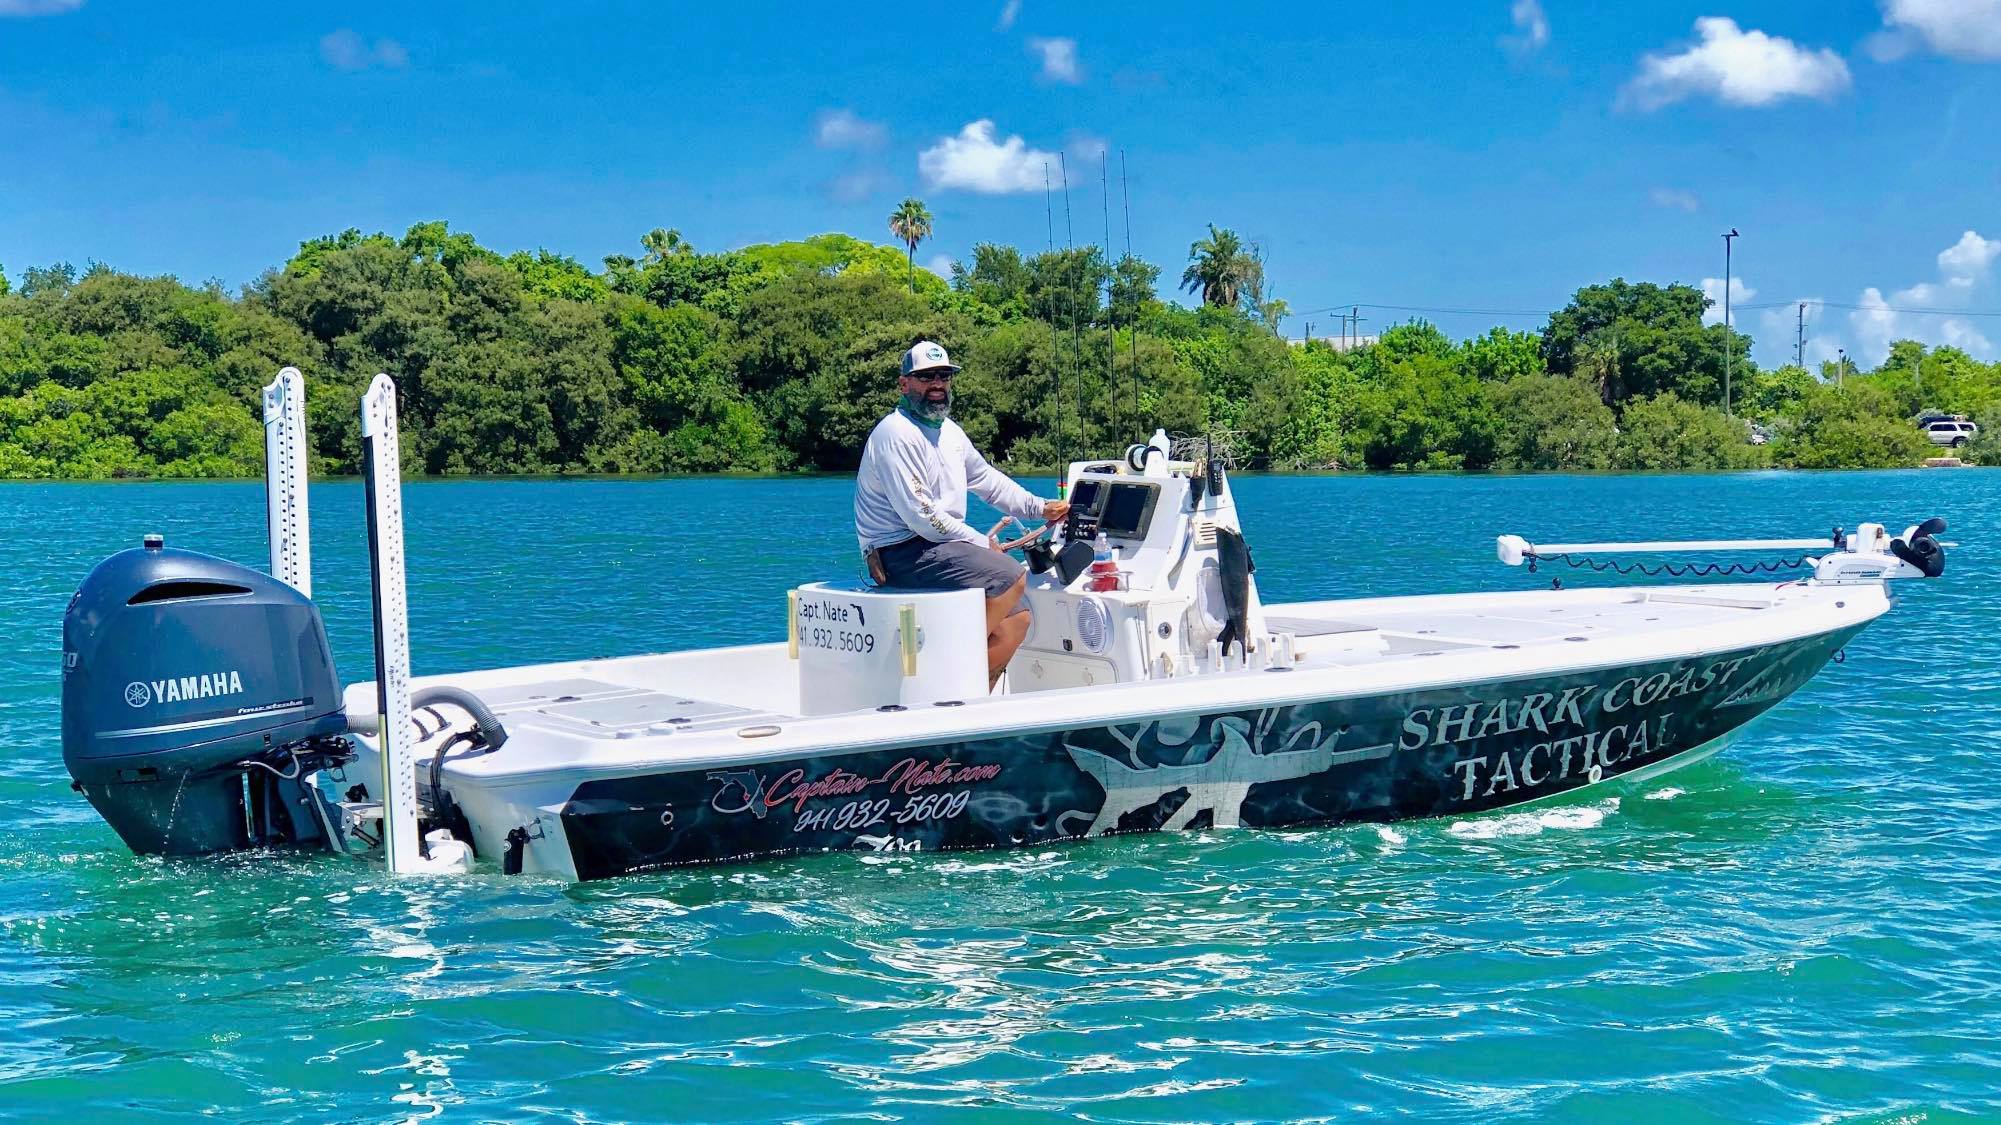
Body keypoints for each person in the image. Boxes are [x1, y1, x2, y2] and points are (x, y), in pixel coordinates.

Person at [855, 341, 1070, 686]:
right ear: (904, 383)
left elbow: (987, 481)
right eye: (926, 377)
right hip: (901, 550)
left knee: (1016, 621)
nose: (937, 384)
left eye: (944, 376)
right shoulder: (896, 434)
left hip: (936, 544)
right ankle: (940, 682)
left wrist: (1040, 507)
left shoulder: (950, 432)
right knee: (1009, 577)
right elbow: (922, 517)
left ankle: (971, 705)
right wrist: (983, 544)